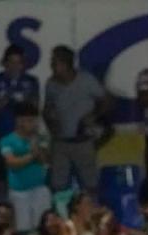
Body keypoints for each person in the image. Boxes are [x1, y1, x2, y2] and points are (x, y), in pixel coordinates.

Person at [44, 46, 109, 192]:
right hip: (60, 142)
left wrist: (94, 116)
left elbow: (107, 101)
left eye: (55, 63)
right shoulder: (51, 84)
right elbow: (47, 108)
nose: (52, 66)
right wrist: (51, 124)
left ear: (66, 64)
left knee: (90, 183)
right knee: (58, 185)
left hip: (83, 140)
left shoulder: (86, 80)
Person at [0, 104, 50, 235]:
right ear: (19, 121)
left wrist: (36, 147)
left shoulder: (41, 138)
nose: (33, 124)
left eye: (34, 120)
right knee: (23, 230)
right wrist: (32, 155)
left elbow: (44, 160)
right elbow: (13, 163)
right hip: (19, 192)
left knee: (43, 227)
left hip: (39, 189)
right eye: (29, 120)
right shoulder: (7, 141)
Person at [0, 44, 40, 151]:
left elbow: (35, 109)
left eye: (19, 62)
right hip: (1, 135)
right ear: (4, 63)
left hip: (25, 137)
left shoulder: (31, 81)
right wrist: (5, 98)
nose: (15, 66)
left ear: (23, 64)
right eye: (11, 62)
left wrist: (24, 101)